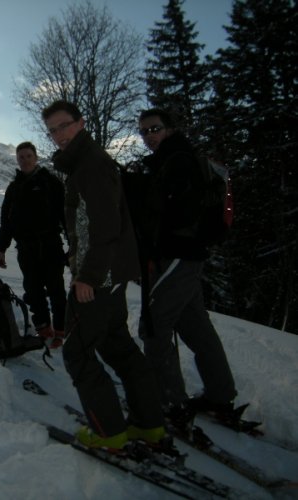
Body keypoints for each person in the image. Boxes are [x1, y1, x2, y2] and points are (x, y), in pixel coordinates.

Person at [41, 100, 165, 450]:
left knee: (78, 353)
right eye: (51, 130)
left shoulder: (90, 165)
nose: (58, 136)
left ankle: (108, 433)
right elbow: (92, 221)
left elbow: (106, 225)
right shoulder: (87, 161)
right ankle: (149, 423)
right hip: (111, 272)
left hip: (98, 278)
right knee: (117, 344)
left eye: (63, 126)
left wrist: (88, 276)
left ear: (80, 123)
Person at [125, 108, 237, 428]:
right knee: (194, 325)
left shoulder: (178, 162)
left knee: (155, 325)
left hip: (176, 255)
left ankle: (168, 404)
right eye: (143, 131)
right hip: (185, 257)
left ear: (170, 129)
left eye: (154, 129)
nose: (148, 136)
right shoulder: (170, 161)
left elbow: (172, 213)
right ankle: (220, 394)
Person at [0, 141, 67, 349]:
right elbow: (6, 221)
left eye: (28, 156)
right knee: (33, 289)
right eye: (21, 157)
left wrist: (74, 247)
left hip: (50, 245)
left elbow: (64, 217)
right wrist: (1, 249)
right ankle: (43, 326)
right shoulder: (14, 188)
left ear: (36, 158)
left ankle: (61, 329)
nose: (25, 160)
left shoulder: (51, 183)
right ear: (17, 160)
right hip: (25, 248)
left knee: (55, 289)